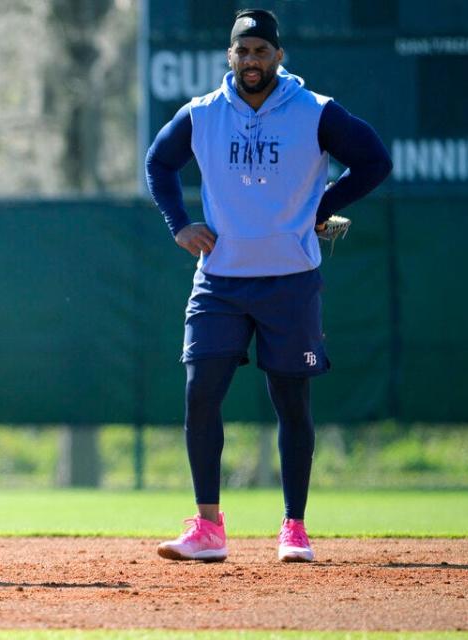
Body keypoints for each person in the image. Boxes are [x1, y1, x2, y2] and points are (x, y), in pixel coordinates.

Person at [145, 9, 391, 562]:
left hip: (289, 279)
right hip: (220, 280)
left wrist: (319, 207)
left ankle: (294, 528)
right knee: (201, 392)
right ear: (229, 58)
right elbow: (158, 163)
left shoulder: (315, 112)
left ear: (279, 56)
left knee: (291, 401)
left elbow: (374, 160)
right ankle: (208, 528)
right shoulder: (202, 114)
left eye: (261, 50)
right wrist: (179, 225)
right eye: (243, 51)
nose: (252, 60)